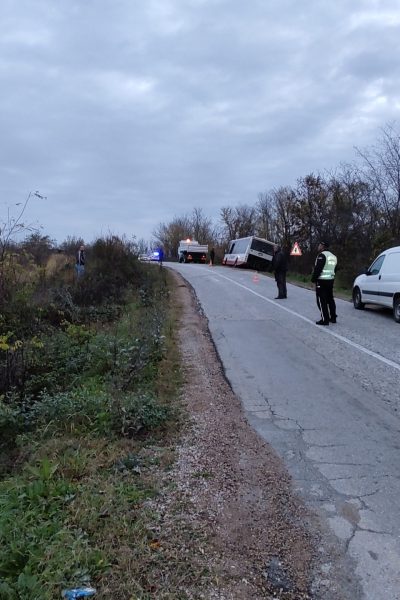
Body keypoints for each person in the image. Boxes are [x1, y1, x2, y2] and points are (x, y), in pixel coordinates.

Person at [311, 240, 337, 325]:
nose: (318, 246)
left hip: (322, 281)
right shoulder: (333, 256)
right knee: (330, 299)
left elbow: (318, 269)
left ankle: (325, 319)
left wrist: (313, 280)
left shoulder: (322, 256)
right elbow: (335, 269)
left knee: (321, 300)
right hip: (330, 280)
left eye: (319, 245)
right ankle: (333, 318)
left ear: (322, 246)